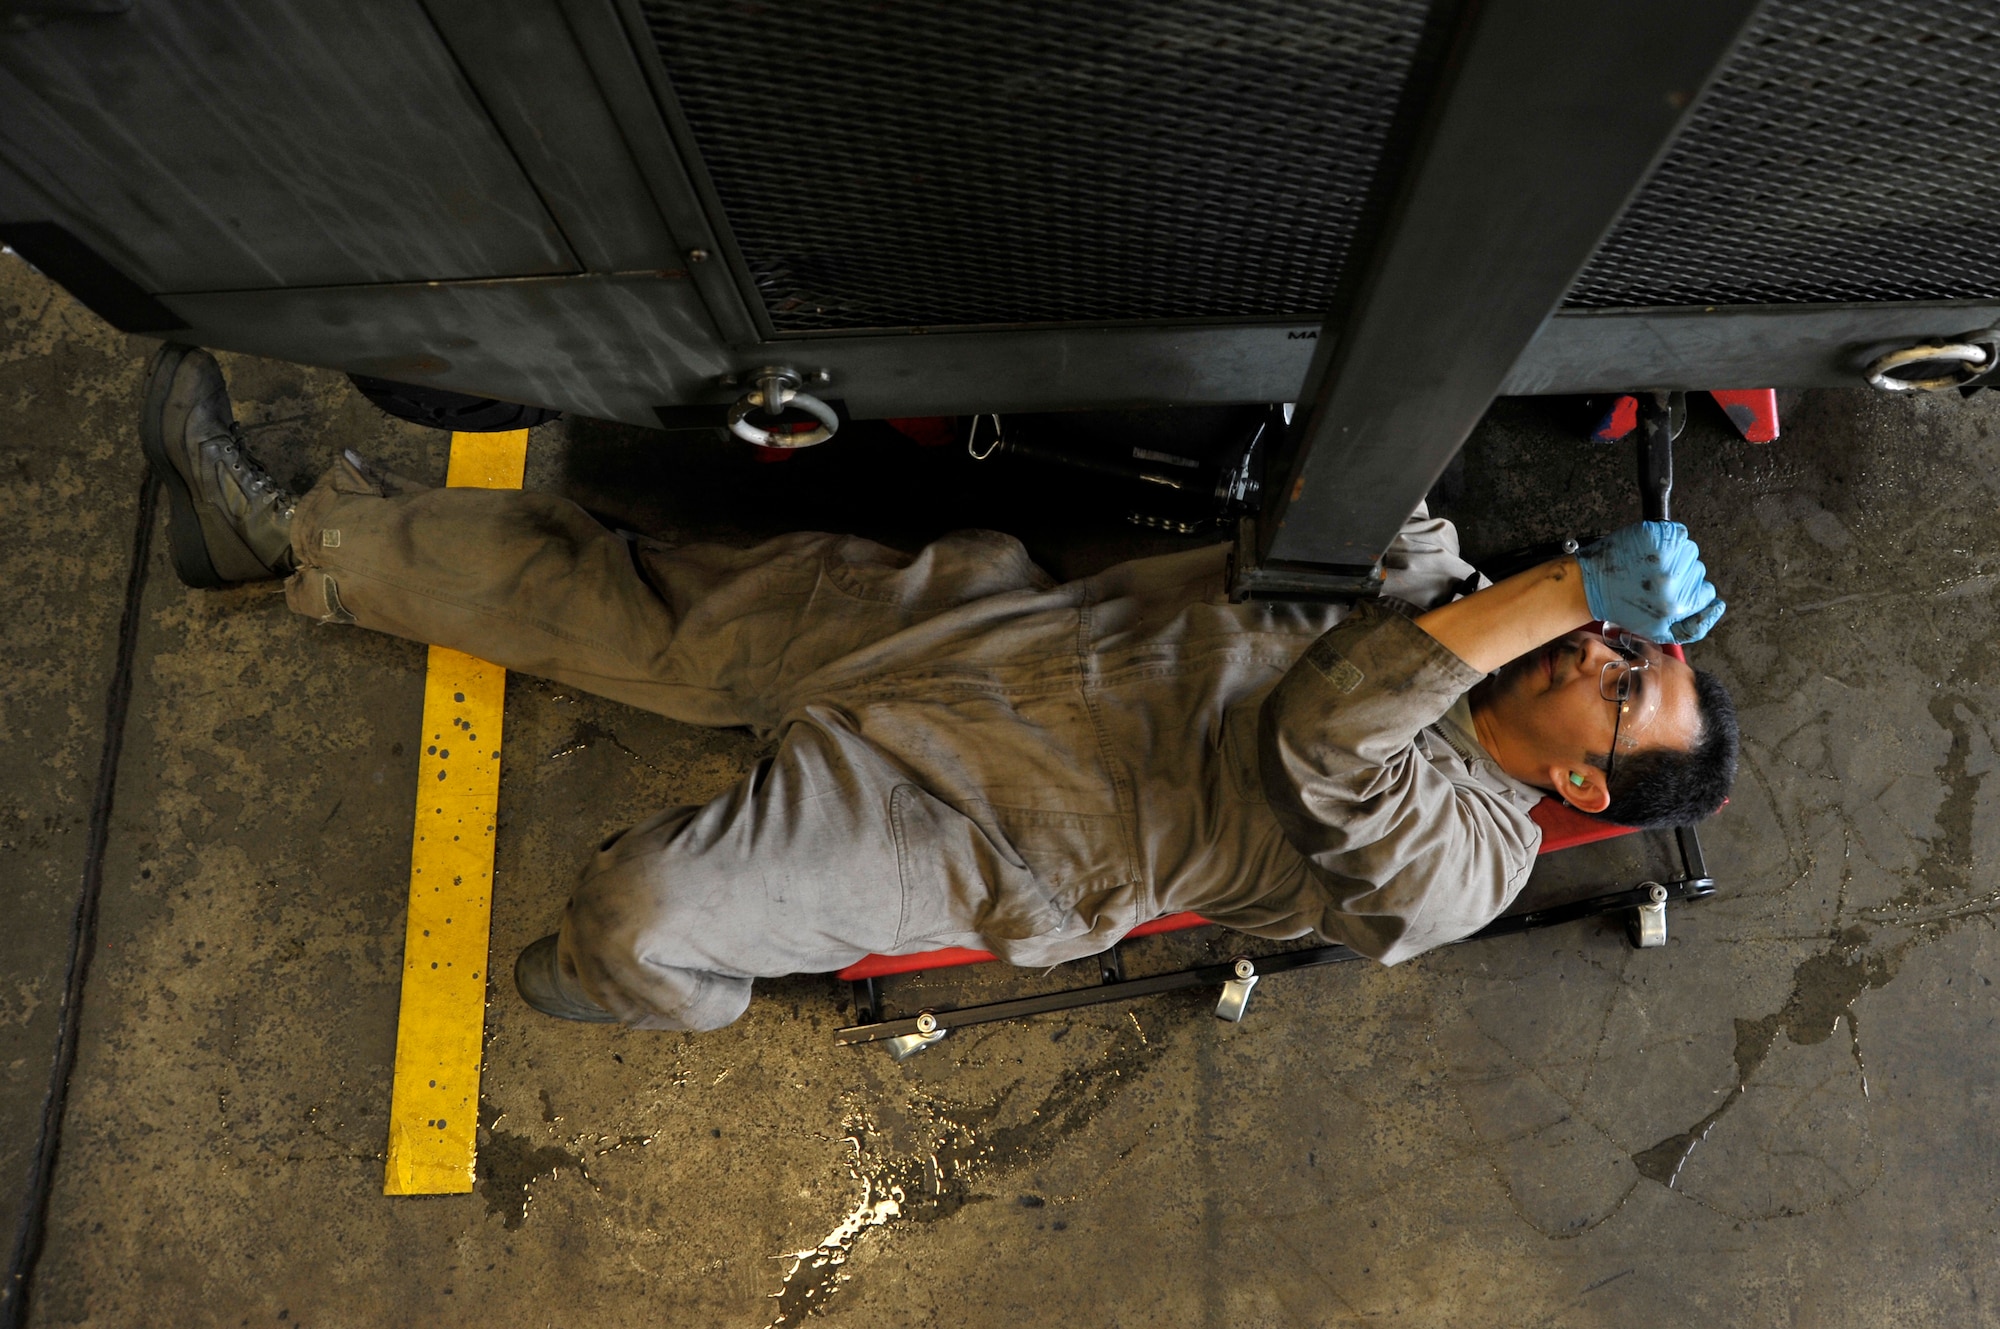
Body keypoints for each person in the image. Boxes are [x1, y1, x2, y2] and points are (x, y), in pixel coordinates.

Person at [139, 345, 1738, 1031]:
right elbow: (1364, 472)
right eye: (1631, 639)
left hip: (974, 833)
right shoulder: (1456, 593)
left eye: (1624, 681)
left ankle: (637, 983)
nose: (1603, 649)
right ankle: (291, 533)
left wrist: (1557, 589)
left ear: (1585, 784)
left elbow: (1330, 737)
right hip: (978, 634)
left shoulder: (1463, 870)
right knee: (614, 593)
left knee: (636, 908)